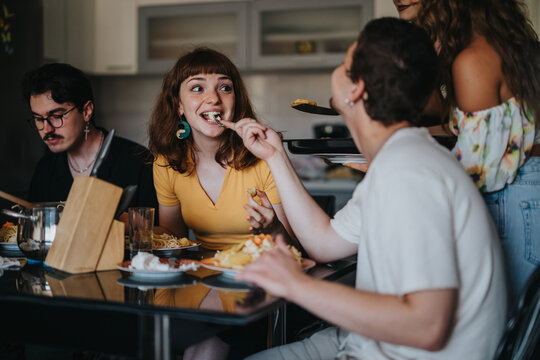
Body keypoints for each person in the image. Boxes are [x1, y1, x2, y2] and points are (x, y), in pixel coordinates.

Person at [223, 18, 506, 359]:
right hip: (363, 341)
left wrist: (296, 285)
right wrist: (275, 156)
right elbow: (324, 243)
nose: (338, 70)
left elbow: (427, 327)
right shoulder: (399, 160)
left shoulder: (409, 172)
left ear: (356, 89)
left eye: (345, 64)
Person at [394, 0, 540, 305]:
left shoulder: (471, 59)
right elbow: (474, 128)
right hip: (526, 193)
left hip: (511, 202)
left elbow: (474, 173)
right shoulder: (498, 44)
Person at [147, 47, 294, 250]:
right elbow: (175, 240)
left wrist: (274, 228)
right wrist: (131, 229)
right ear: (178, 104)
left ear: (236, 99)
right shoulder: (167, 162)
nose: (214, 98)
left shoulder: (263, 157)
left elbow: (294, 249)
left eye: (225, 88)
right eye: (197, 88)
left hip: (264, 272)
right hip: (205, 273)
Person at [22, 63, 158, 223]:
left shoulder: (138, 162)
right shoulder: (45, 169)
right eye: (38, 119)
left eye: (57, 116)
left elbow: (160, 236)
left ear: (86, 111)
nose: (46, 129)